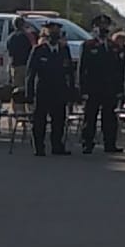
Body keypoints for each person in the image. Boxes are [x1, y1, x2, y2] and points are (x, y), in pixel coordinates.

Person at [25, 22, 75, 156]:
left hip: (59, 91)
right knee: (39, 121)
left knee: (59, 120)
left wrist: (71, 93)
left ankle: (57, 145)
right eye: (51, 31)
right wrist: (29, 95)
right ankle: (39, 147)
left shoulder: (64, 50)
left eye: (57, 31)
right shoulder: (38, 50)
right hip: (43, 91)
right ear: (45, 33)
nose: (54, 34)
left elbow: (70, 73)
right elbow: (30, 74)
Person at [78, 14, 124, 154]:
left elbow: (119, 69)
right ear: (94, 28)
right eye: (100, 26)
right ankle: (87, 143)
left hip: (109, 88)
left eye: (105, 26)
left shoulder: (114, 46)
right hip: (93, 88)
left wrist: (120, 88)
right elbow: (82, 69)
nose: (103, 28)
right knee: (90, 117)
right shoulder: (88, 45)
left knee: (109, 118)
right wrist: (82, 89)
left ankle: (110, 143)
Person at [5, 17, 35, 97]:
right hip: (27, 65)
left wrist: (10, 68)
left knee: (17, 90)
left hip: (16, 65)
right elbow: (33, 49)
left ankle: (18, 108)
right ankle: (29, 107)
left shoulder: (10, 37)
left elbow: (10, 54)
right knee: (28, 88)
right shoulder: (29, 36)